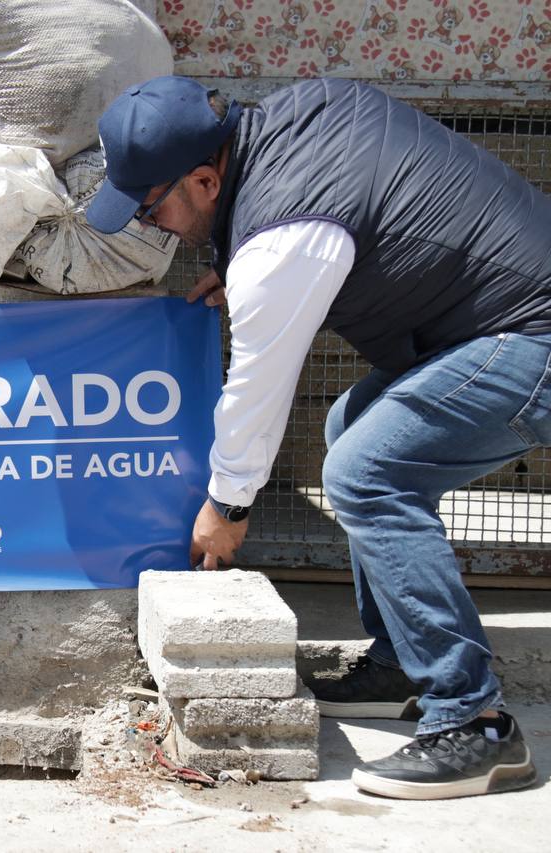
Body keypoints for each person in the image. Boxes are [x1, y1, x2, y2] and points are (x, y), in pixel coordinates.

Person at [86, 75, 544, 800]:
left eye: (151, 209)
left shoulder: (282, 241)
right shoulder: (298, 114)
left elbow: (259, 388)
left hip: (532, 334)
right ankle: (401, 663)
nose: (155, 226)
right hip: (497, 317)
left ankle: (476, 723)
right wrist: (246, 265)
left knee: (368, 473)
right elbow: (338, 214)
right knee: (349, 427)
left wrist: (227, 505)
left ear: (205, 179)